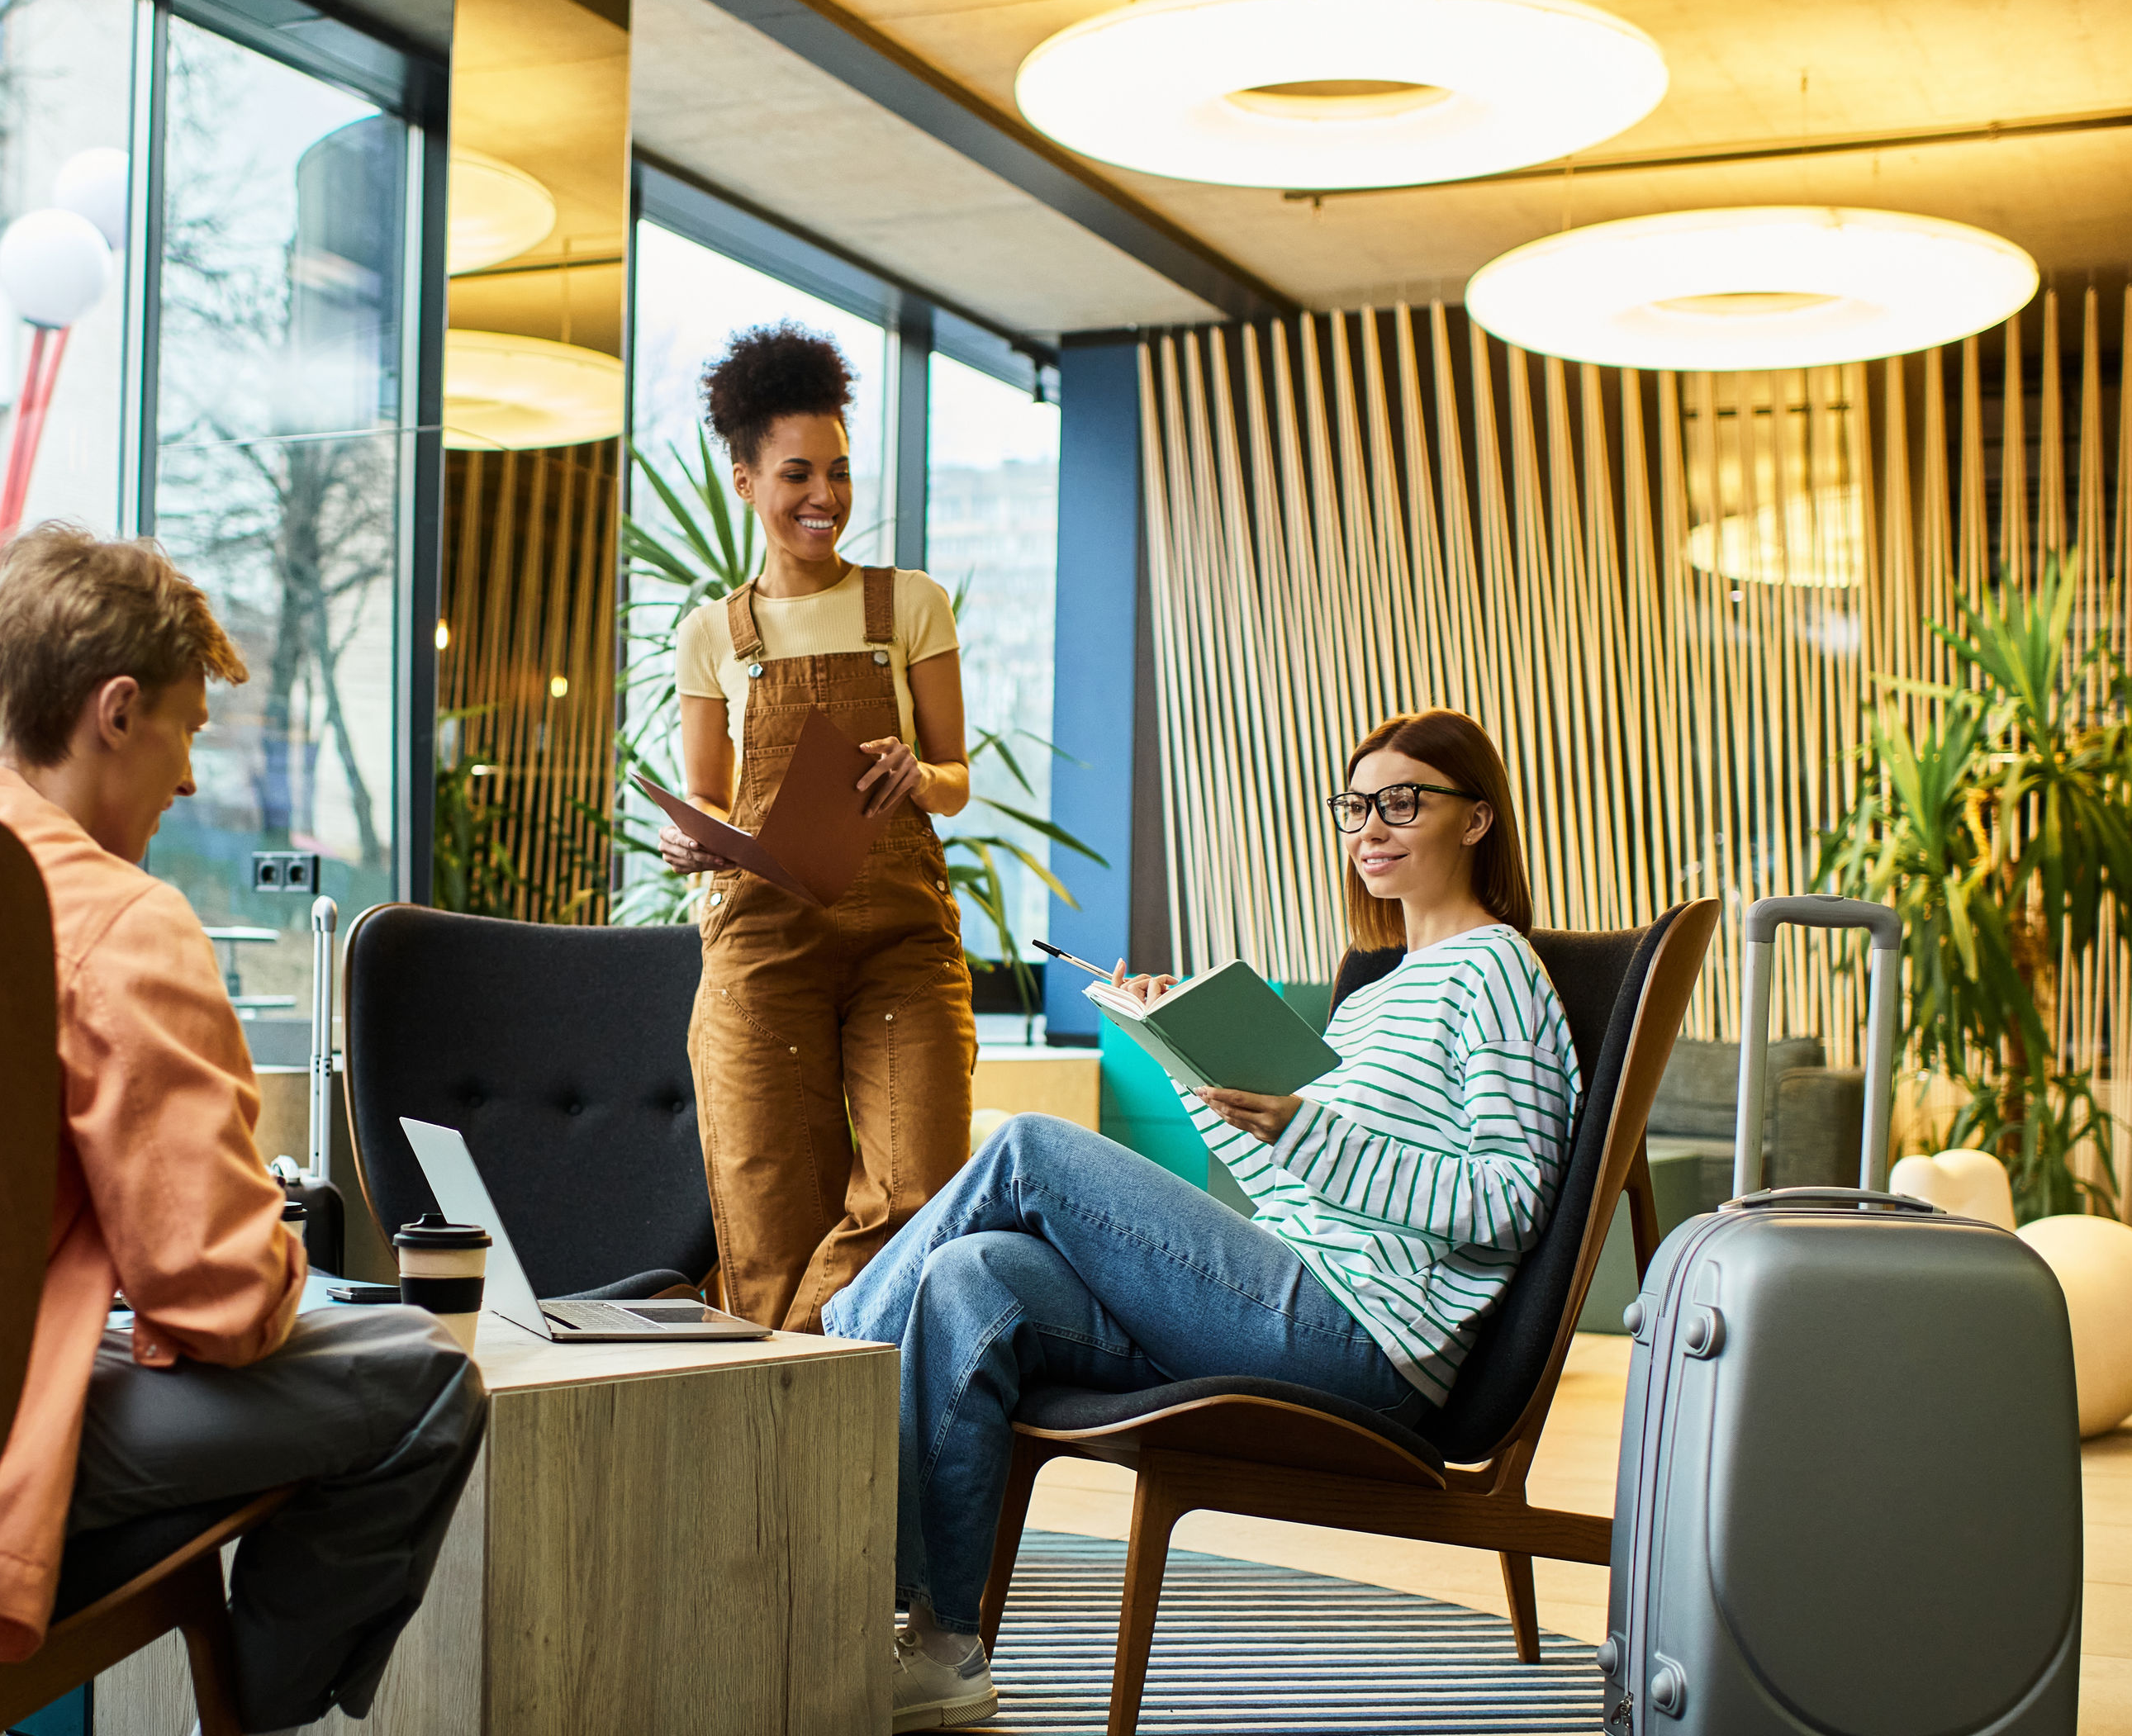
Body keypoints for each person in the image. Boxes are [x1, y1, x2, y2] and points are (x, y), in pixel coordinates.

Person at [825, 709, 1580, 1733]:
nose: (1371, 828)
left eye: (1403, 802)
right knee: (974, 1274)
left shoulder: (1499, 972)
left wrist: (1306, 1132)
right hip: (1292, 1297)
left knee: (1028, 1149)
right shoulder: (1369, 1001)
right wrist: (1196, 1073)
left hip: (1367, 1340)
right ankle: (946, 1642)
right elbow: (1292, 1192)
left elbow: (1509, 1203)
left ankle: (828, 1367)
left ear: (1478, 818)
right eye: (1355, 806)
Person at [0, 522, 487, 1732]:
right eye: (186, 727)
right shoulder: (118, 920)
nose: (189, 779)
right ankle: (243, 1716)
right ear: (114, 711)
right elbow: (220, 1303)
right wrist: (271, 1251)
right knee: (431, 1379)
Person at [658, 322, 978, 1334]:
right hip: (762, 944)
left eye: (839, 473)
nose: (826, 498)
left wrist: (915, 776)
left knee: (916, 1198)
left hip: (899, 945)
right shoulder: (714, 632)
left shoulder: (909, 605)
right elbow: (709, 792)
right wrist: (695, 833)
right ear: (747, 479)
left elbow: (958, 776)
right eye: (798, 474)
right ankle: (782, 1451)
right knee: (767, 1233)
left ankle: (767, 1364)